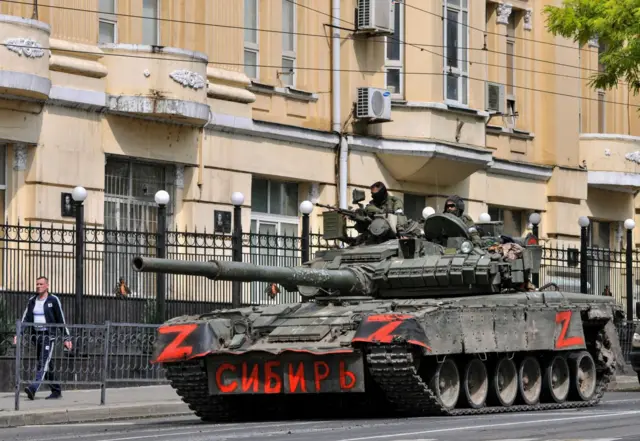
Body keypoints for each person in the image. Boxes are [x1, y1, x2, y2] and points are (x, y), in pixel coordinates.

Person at [14, 276, 72, 400]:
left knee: (43, 363)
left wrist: (66, 338)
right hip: (37, 336)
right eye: (37, 284)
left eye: (41, 284)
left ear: (47, 286)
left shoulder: (53, 300)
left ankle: (33, 388)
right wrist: (18, 334)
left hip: (48, 336)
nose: (38, 286)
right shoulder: (32, 300)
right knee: (47, 364)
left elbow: (60, 319)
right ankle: (56, 391)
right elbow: (26, 319)